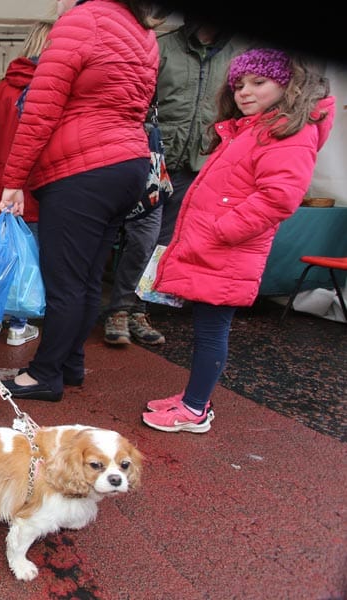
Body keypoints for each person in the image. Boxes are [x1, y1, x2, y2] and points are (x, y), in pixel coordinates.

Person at [142, 49, 334, 433]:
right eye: (239, 84)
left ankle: (195, 409)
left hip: (228, 251)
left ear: (288, 85)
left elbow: (279, 197)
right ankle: (193, 399)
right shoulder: (252, 129)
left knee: (212, 331)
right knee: (206, 329)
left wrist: (221, 230)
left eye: (258, 83)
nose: (245, 92)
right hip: (218, 248)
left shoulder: (287, 133)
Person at [0, 0, 164, 401]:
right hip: (129, 164)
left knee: (65, 282)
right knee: (89, 278)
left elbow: (40, 108)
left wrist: (13, 178)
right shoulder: (145, 32)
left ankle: (44, 374)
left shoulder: (81, 21)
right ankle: (69, 363)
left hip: (81, 168)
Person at [103, 16, 248, 347]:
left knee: (163, 245)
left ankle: (136, 309)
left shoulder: (236, 55)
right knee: (142, 238)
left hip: (199, 164)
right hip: (153, 160)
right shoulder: (163, 45)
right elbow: (135, 100)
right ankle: (119, 309)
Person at [0, 20, 51, 347]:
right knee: (27, 261)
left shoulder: (1, 89)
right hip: (38, 194)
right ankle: (18, 325)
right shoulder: (56, 89)